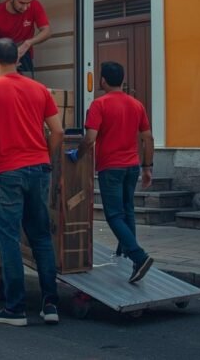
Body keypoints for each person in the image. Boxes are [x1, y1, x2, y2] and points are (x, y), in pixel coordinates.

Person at [0, 38, 64, 327]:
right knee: (40, 237)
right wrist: (45, 158)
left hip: (7, 173)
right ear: (18, 59)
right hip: (39, 170)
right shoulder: (40, 89)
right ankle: (50, 304)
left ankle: (15, 309)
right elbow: (58, 131)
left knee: (10, 239)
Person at [68, 61, 155, 283]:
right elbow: (148, 138)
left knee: (114, 215)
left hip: (111, 168)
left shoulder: (99, 105)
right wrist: (147, 167)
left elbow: (90, 138)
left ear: (103, 80)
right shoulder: (137, 105)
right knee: (128, 210)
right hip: (132, 166)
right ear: (122, 80)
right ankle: (125, 253)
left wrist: (77, 155)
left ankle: (138, 256)